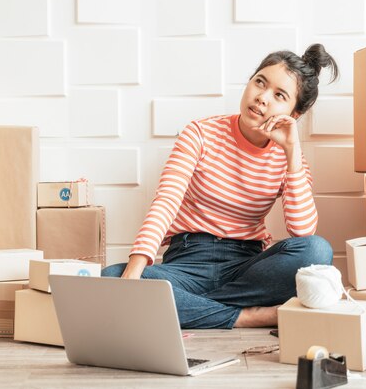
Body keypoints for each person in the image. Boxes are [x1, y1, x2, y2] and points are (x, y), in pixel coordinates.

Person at [103, 44, 339, 329]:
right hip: (188, 260)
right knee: (110, 278)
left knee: (317, 250)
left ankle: (186, 307)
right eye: (260, 82)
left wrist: (291, 151)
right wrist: (134, 273)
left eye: (279, 96)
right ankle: (246, 316)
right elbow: (166, 202)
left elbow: (302, 233)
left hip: (246, 268)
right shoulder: (200, 133)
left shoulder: (291, 158)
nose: (262, 98)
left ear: (294, 114)